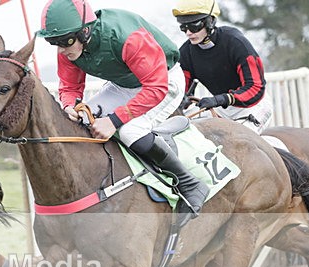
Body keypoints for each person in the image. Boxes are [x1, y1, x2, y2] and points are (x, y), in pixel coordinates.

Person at [39, 0, 209, 226]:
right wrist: (70, 106)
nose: (61, 49)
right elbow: (70, 88)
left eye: (65, 41)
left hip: (163, 81)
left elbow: (155, 87)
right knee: (82, 118)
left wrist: (114, 120)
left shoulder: (128, 37)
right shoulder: (69, 44)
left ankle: (190, 183)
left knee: (129, 130)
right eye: (54, 42)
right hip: (123, 84)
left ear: (86, 31)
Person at [172, 0, 273, 133]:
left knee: (238, 143)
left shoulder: (235, 42)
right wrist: (182, 101)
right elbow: (181, 91)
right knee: (181, 130)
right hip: (221, 107)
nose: (188, 33)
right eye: (184, 27)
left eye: (194, 26)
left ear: (210, 21)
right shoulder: (186, 52)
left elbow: (255, 88)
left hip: (253, 106)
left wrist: (221, 99)